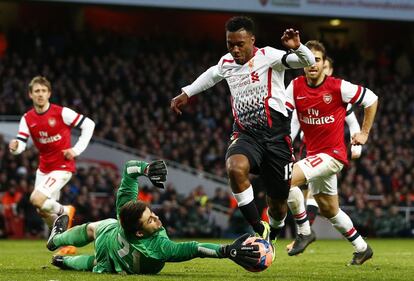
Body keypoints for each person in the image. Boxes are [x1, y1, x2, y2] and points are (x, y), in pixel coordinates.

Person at [170, 16, 315, 251]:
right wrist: (187, 92)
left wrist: (298, 47)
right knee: (234, 167)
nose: (235, 50)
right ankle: (258, 227)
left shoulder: (269, 56)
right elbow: (212, 74)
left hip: (277, 138)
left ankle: (273, 232)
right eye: (230, 44)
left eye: (240, 44)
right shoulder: (226, 62)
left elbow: (304, 62)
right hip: (246, 135)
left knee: (277, 204)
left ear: (252, 40)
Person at [46, 160, 263, 274]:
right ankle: (63, 260)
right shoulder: (159, 248)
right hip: (115, 262)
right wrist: (227, 251)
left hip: (111, 237)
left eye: (152, 213)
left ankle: (55, 241)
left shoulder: (125, 212)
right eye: (151, 219)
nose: (157, 218)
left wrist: (145, 169)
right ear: (139, 231)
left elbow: (129, 169)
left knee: (93, 229)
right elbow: (195, 248)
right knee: (93, 264)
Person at [284, 40, 378, 265]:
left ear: (324, 63)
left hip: (333, 155)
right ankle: (362, 248)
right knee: (330, 210)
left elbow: (371, 99)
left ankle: (304, 232)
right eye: (307, 59)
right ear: (301, 63)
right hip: (314, 156)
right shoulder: (295, 87)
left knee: (283, 180)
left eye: (317, 59)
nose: (312, 64)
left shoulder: (338, 87)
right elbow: (285, 117)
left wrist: (362, 135)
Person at [9, 76, 95, 254]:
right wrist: (16, 147)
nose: (40, 94)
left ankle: (65, 210)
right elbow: (21, 142)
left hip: (62, 166)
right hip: (44, 168)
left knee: (36, 199)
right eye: (36, 91)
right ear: (30, 95)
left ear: (49, 93)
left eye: (43, 91)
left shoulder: (61, 112)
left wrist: (76, 150)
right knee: (42, 210)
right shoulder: (27, 118)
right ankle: (66, 243)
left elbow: (89, 124)